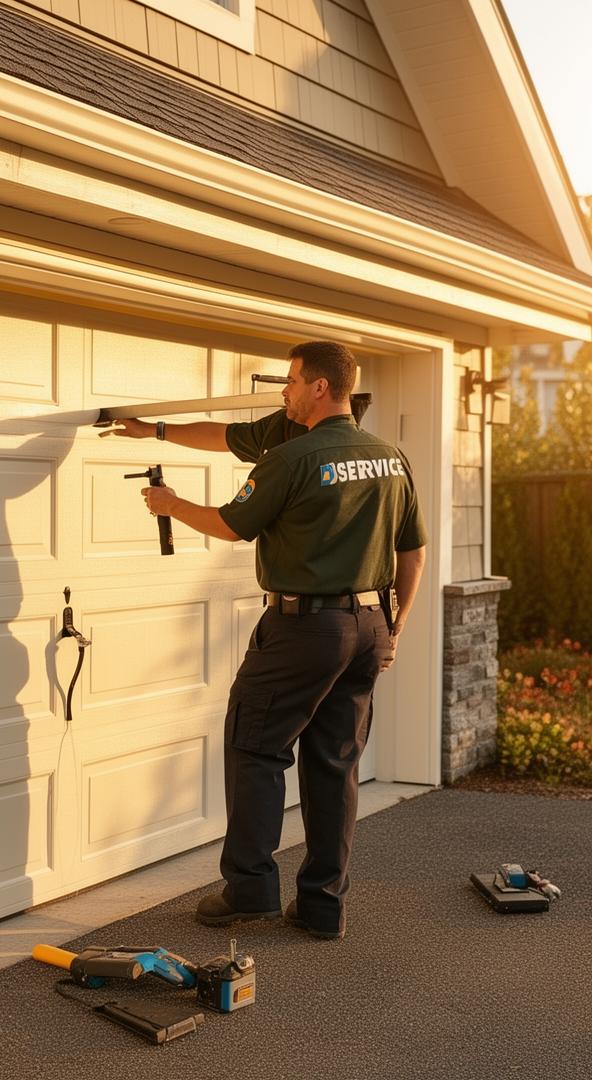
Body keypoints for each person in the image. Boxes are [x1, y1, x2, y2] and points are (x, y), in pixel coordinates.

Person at [108, 341, 425, 940]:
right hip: (368, 627)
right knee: (334, 763)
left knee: (255, 747)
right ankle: (322, 907)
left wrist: (171, 504)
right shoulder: (391, 457)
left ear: (320, 389)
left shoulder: (292, 458)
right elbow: (413, 551)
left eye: (291, 381)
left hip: (304, 627)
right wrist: (397, 625)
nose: (284, 390)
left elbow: (231, 525)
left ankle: (249, 889)